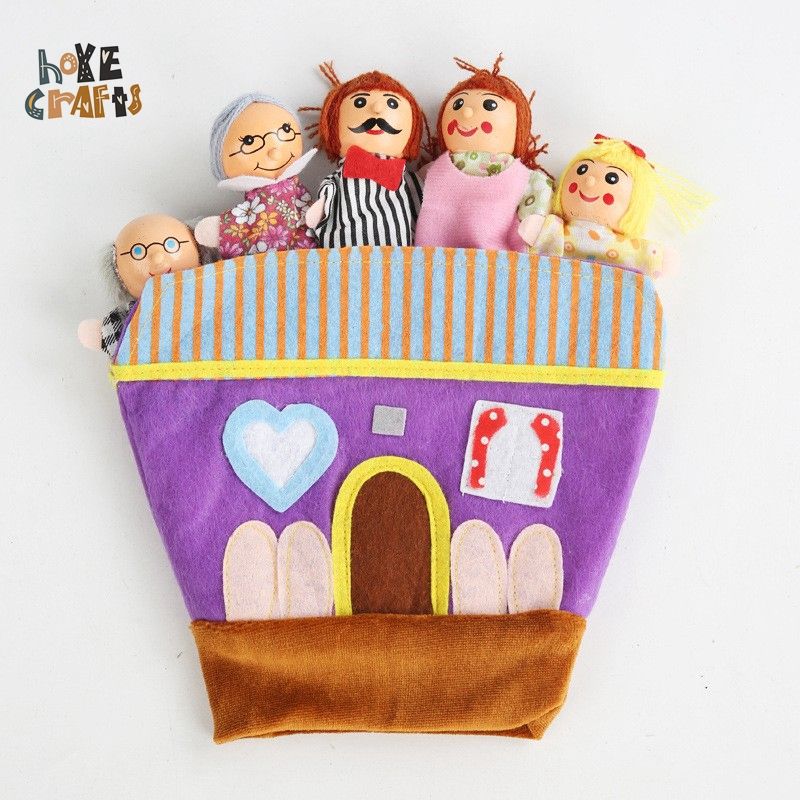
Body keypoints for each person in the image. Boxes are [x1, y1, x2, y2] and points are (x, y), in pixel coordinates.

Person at [414, 54, 552, 252]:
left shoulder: (523, 176)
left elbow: (540, 191)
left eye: (489, 105)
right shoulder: (433, 170)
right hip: (433, 258)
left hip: (496, 260)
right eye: (458, 104)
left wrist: (533, 220)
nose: (466, 112)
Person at [302, 62, 425, 247]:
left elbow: (425, 211)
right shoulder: (339, 179)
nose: (377, 109)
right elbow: (325, 199)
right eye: (360, 102)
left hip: (398, 256)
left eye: (391, 103)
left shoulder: (408, 181)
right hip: (345, 255)